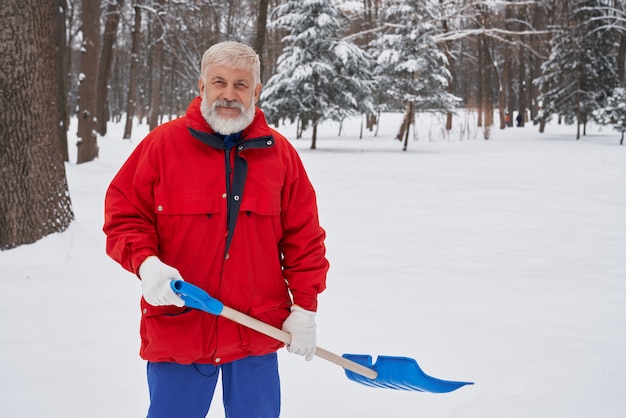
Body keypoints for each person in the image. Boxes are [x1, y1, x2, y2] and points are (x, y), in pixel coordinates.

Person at [103, 41, 329, 418]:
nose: (229, 94)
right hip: (181, 326)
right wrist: (147, 265)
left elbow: (304, 239)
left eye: (241, 85)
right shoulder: (163, 146)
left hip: (256, 331)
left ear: (256, 92)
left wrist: (305, 308)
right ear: (202, 86)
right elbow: (124, 216)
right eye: (219, 82)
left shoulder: (280, 156)